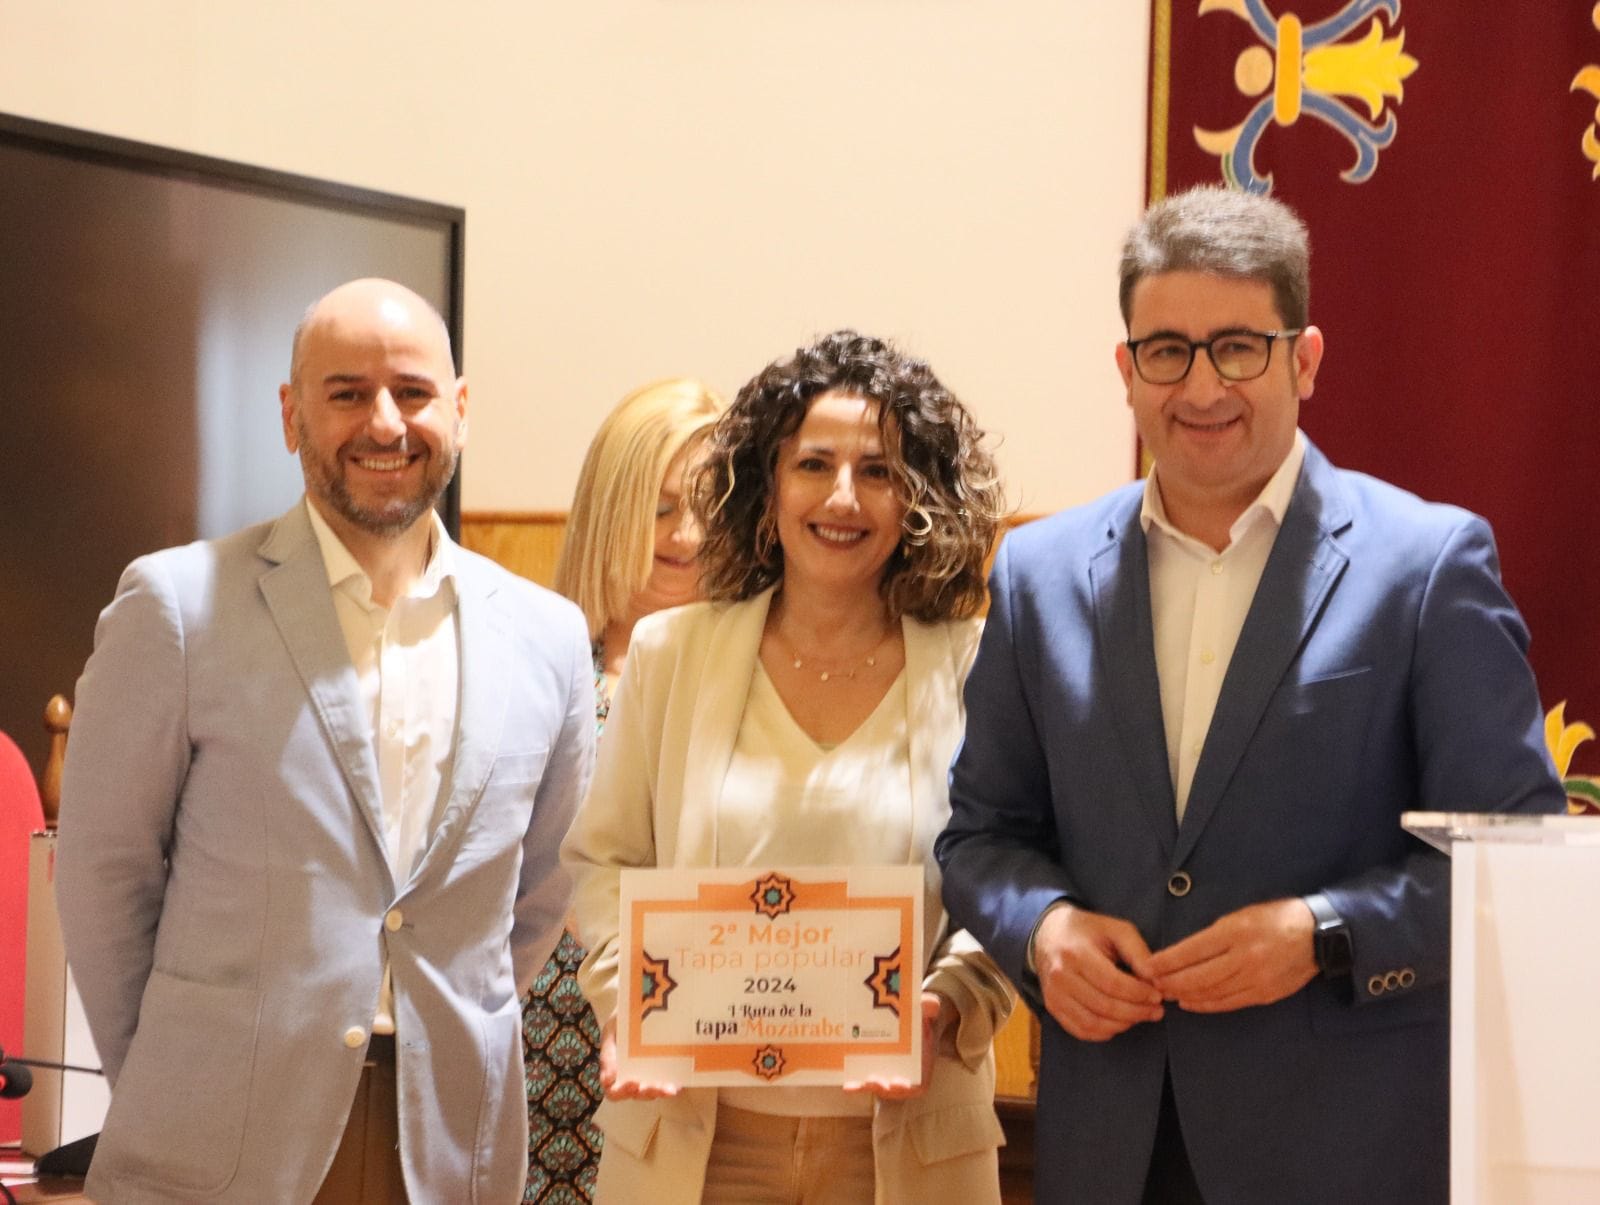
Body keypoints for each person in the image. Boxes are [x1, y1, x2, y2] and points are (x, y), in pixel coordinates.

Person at [935, 186, 1568, 1205]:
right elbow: (981, 835)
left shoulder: (1426, 565)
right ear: (1126, 370)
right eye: (1167, 351)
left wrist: (1324, 931)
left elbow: (1516, 857)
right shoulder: (1037, 573)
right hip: (1110, 1146)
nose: (1201, 386)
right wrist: (1043, 927)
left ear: (1303, 360)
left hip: (1347, 1151)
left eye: (1237, 347)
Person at [54, 278, 596, 1204]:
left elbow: (542, 888)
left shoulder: (548, 638)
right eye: (347, 392)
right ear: (290, 414)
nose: (384, 422)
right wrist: (169, 1073)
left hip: (445, 1145)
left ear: (460, 410)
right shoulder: (177, 607)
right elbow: (104, 872)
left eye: (413, 392)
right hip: (215, 1145)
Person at [562, 330, 1014, 1204]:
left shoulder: (980, 665)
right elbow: (602, 863)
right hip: (697, 1144)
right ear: (766, 488)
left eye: (878, 470)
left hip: (907, 1147)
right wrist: (634, 1006)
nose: (843, 496)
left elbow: (1013, 877)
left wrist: (949, 1002)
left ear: (919, 496)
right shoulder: (669, 653)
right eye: (813, 464)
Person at [523, 377, 724, 1202]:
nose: (689, 534)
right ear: (610, 511)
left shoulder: (763, 678)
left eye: (711, 507)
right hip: (546, 1044)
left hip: (708, 1045)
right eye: (661, 507)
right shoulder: (536, 670)